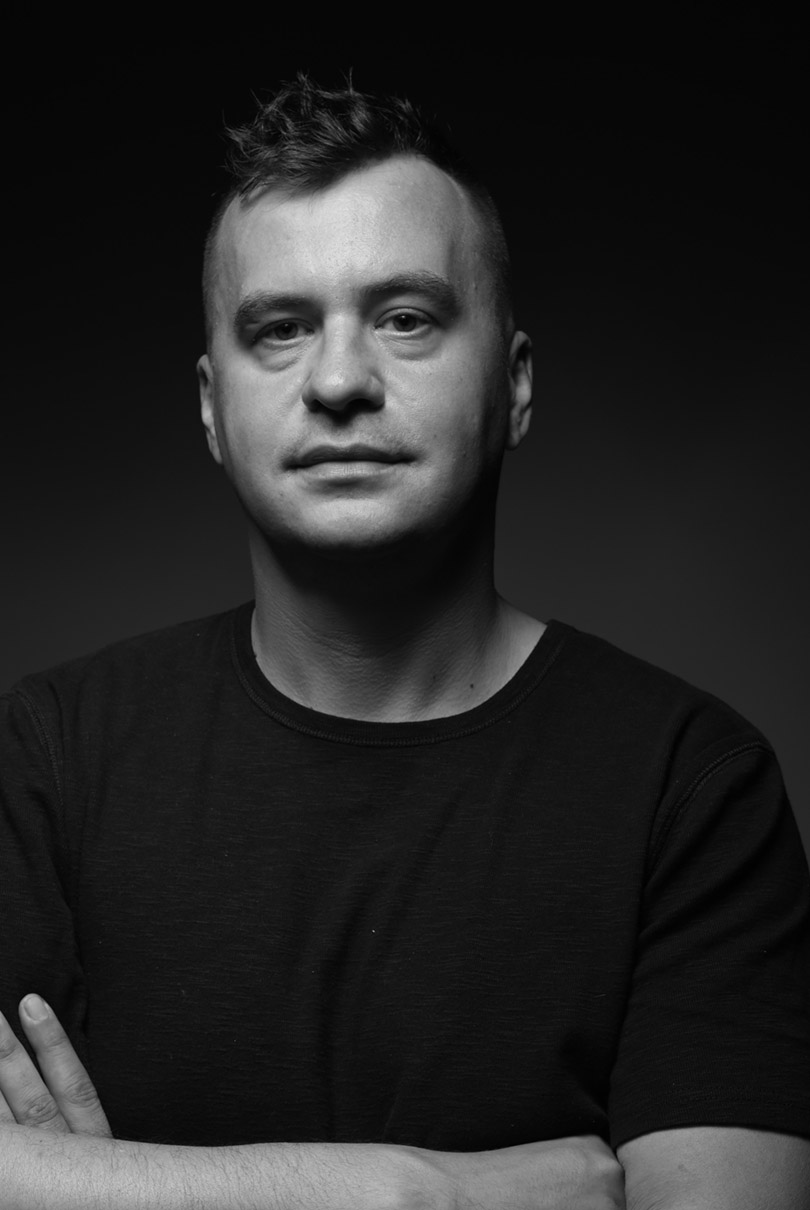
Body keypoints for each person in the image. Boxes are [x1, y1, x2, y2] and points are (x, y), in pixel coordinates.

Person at [0, 74, 808, 1210]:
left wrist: (105, 1188)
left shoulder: (693, 787)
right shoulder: (47, 756)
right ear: (212, 407)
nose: (338, 381)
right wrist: (413, 1191)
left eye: (407, 318)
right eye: (280, 329)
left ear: (514, 386)